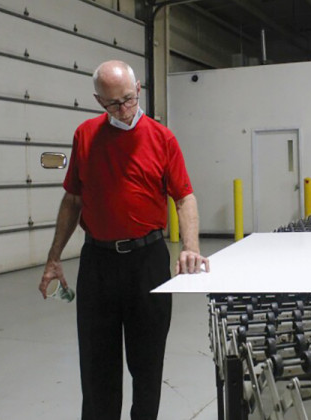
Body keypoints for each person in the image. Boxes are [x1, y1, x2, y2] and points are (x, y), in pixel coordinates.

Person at [38, 60, 209, 420]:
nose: (124, 110)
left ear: (139, 90)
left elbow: (184, 197)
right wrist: (54, 258)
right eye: (113, 104)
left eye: (129, 99)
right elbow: (72, 200)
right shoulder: (86, 135)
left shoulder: (162, 139)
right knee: (97, 368)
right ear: (99, 100)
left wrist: (191, 248)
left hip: (147, 263)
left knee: (147, 366)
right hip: (97, 265)